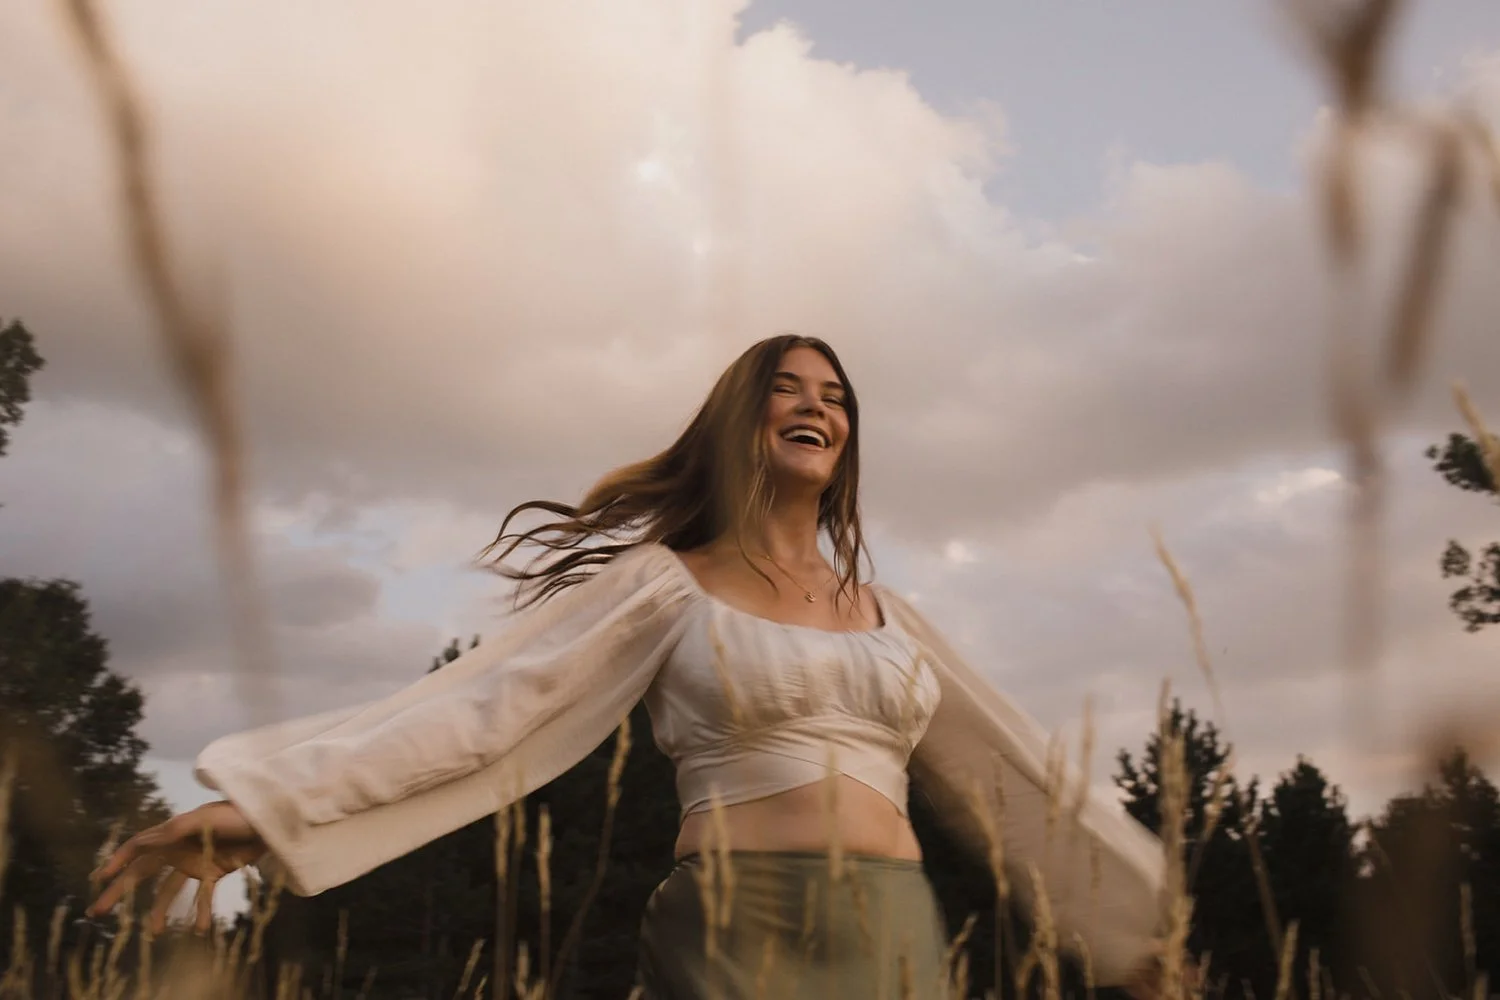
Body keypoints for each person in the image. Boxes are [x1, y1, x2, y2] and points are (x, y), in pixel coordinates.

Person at [88, 335, 1168, 998]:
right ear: (739, 424)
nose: (815, 405)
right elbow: (481, 716)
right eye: (785, 388)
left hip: (893, 926)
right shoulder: (667, 583)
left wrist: (1142, 932)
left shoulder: (893, 616)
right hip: (739, 917)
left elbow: (1021, 777)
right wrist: (259, 814)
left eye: (834, 395)